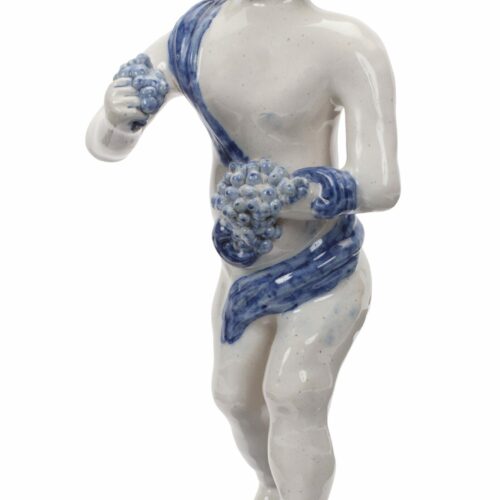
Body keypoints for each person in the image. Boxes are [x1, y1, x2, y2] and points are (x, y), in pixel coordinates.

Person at [86, 1, 400, 499]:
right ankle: (272, 487)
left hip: (323, 266)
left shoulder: (348, 44)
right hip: (242, 274)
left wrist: (285, 195)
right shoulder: (195, 35)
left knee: (293, 393)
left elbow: (380, 184)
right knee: (234, 400)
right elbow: (106, 144)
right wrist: (115, 118)